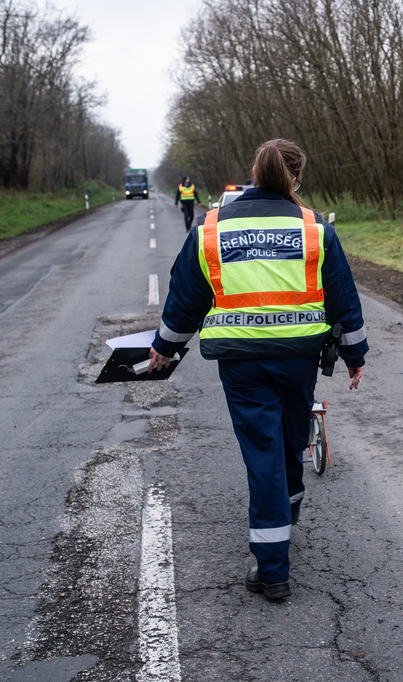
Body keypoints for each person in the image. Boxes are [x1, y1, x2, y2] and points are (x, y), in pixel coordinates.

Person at [149, 139, 369, 600]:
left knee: (264, 452)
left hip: (242, 362)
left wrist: (164, 348)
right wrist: (355, 355)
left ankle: (272, 566)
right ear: (295, 177)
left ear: (254, 172)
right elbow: (343, 297)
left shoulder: (210, 229)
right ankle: (281, 533)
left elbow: (186, 298)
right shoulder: (315, 229)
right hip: (298, 358)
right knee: (290, 443)